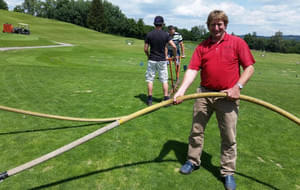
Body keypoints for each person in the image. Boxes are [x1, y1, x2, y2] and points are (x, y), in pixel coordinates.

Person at [173, 10, 255, 190]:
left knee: (228, 136)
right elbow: (193, 70)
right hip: (204, 94)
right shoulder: (202, 46)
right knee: (196, 130)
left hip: (227, 96)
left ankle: (227, 172)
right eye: (213, 24)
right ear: (208, 26)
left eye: (220, 24)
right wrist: (181, 91)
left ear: (225, 25)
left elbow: (249, 68)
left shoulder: (237, 43)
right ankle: (193, 161)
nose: (216, 28)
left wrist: (237, 87)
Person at [144, 16, 177, 106]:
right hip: (162, 60)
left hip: (152, 60)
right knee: (164, 80)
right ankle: (166, 98)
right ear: (162, 24)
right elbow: (174, 46)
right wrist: (174, 56)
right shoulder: (166, 35)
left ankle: (150, 99)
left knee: (150, 80)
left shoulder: (149, 34)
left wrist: (148, 56)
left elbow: (145, 49)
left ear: (154, 24)